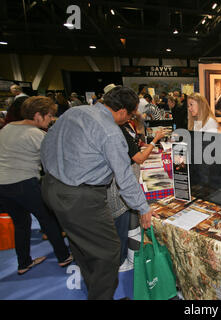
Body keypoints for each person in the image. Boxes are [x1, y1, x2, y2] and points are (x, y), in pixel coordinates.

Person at [40, 86, 158, 300]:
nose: (128, 119)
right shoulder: (111, 132)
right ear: (122, 111)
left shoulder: (76, 112)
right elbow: (124, 178)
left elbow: (46, 144)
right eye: (130, 115)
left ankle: (95, 291)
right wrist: (143, 207)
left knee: (80, 245)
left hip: (51, 186)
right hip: (81, 198)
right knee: (109, 251)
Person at [0, 96, 73, 275]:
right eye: (48, 116)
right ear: (38, 115)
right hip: (24, 182)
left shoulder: (7, 128)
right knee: (48, 219)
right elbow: (55, 161)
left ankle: (23, 262)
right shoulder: (36, 134)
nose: (50, 120)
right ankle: (63, 256)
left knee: (21, 224)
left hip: (3, 185)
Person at [107, 127, 165, 270]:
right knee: (121, 220)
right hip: (121, 187)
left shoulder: (122, 126)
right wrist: (155, 140)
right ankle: (120, 261)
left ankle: (126, 255)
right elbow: (139, 158)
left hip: (125, 184)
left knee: (127, 221)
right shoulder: (116, 130)